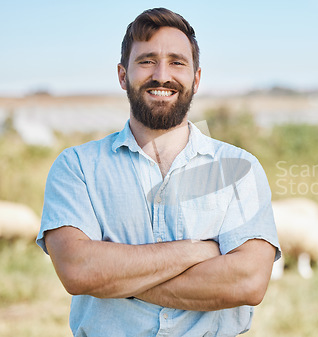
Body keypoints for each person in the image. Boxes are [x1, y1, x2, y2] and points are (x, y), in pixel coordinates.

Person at [36, 7, 281, 337]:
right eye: (147, 60)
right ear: (123, 75)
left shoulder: (240, 169)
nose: (162, 74)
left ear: (195, 79)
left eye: (177, 62)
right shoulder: (77, 167)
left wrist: (115, 278)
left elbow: (248, 282)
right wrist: (198, 251)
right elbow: (78, 271)